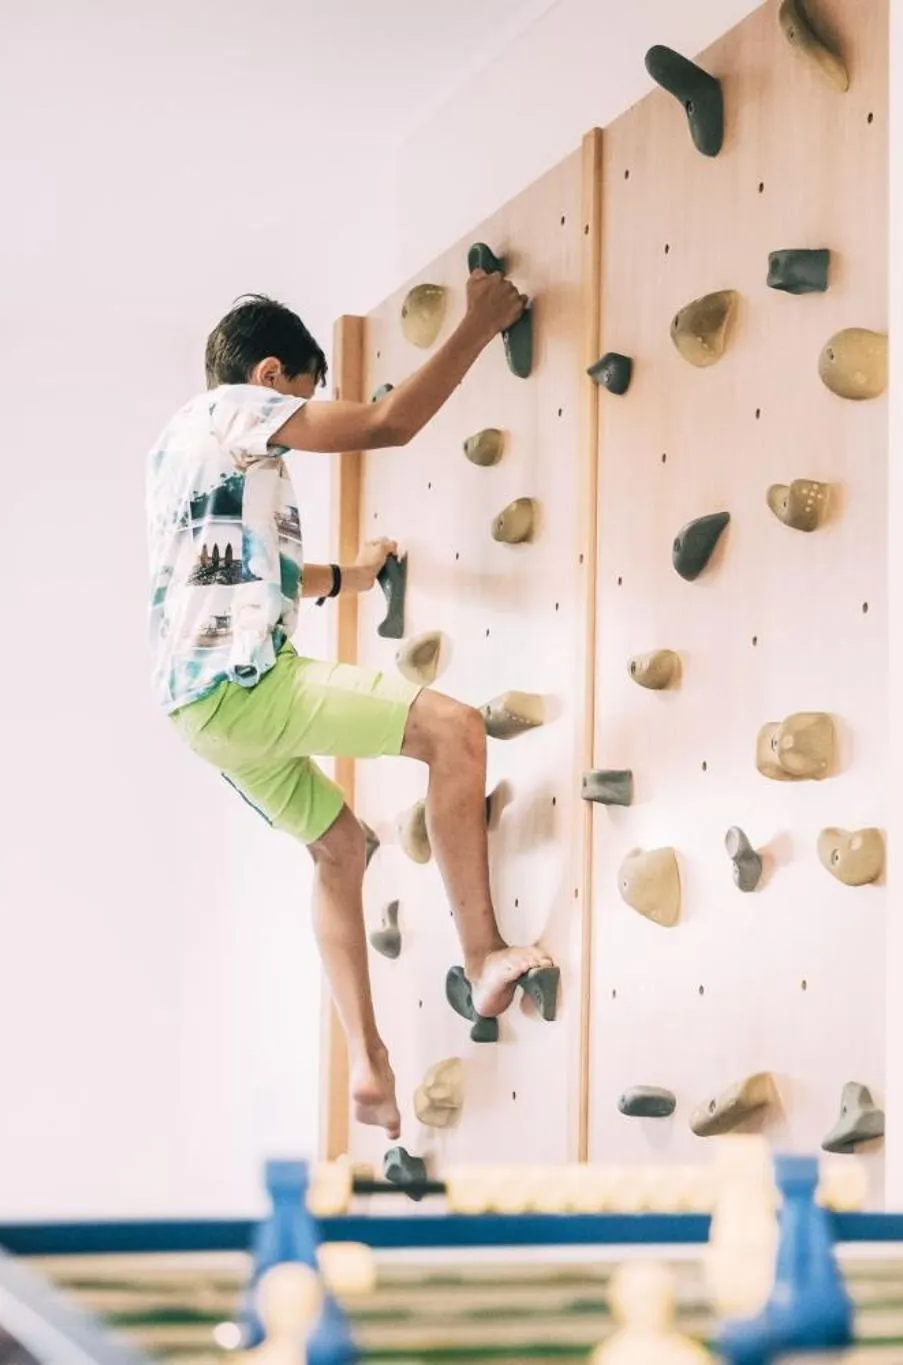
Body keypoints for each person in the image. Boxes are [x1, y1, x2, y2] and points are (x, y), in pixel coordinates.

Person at [145, 270, 552, 1138]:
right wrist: (479, 322)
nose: (296, 426)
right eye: (298, 400)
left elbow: (256, 569)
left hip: (197, 713)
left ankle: (369, 1066)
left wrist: (356, 576)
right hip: (243, 686)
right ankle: (482, 955)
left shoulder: (184, 456)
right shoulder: (230, 408)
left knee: (338, 848)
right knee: (455, 730)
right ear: (266, 378)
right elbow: (386, 424)